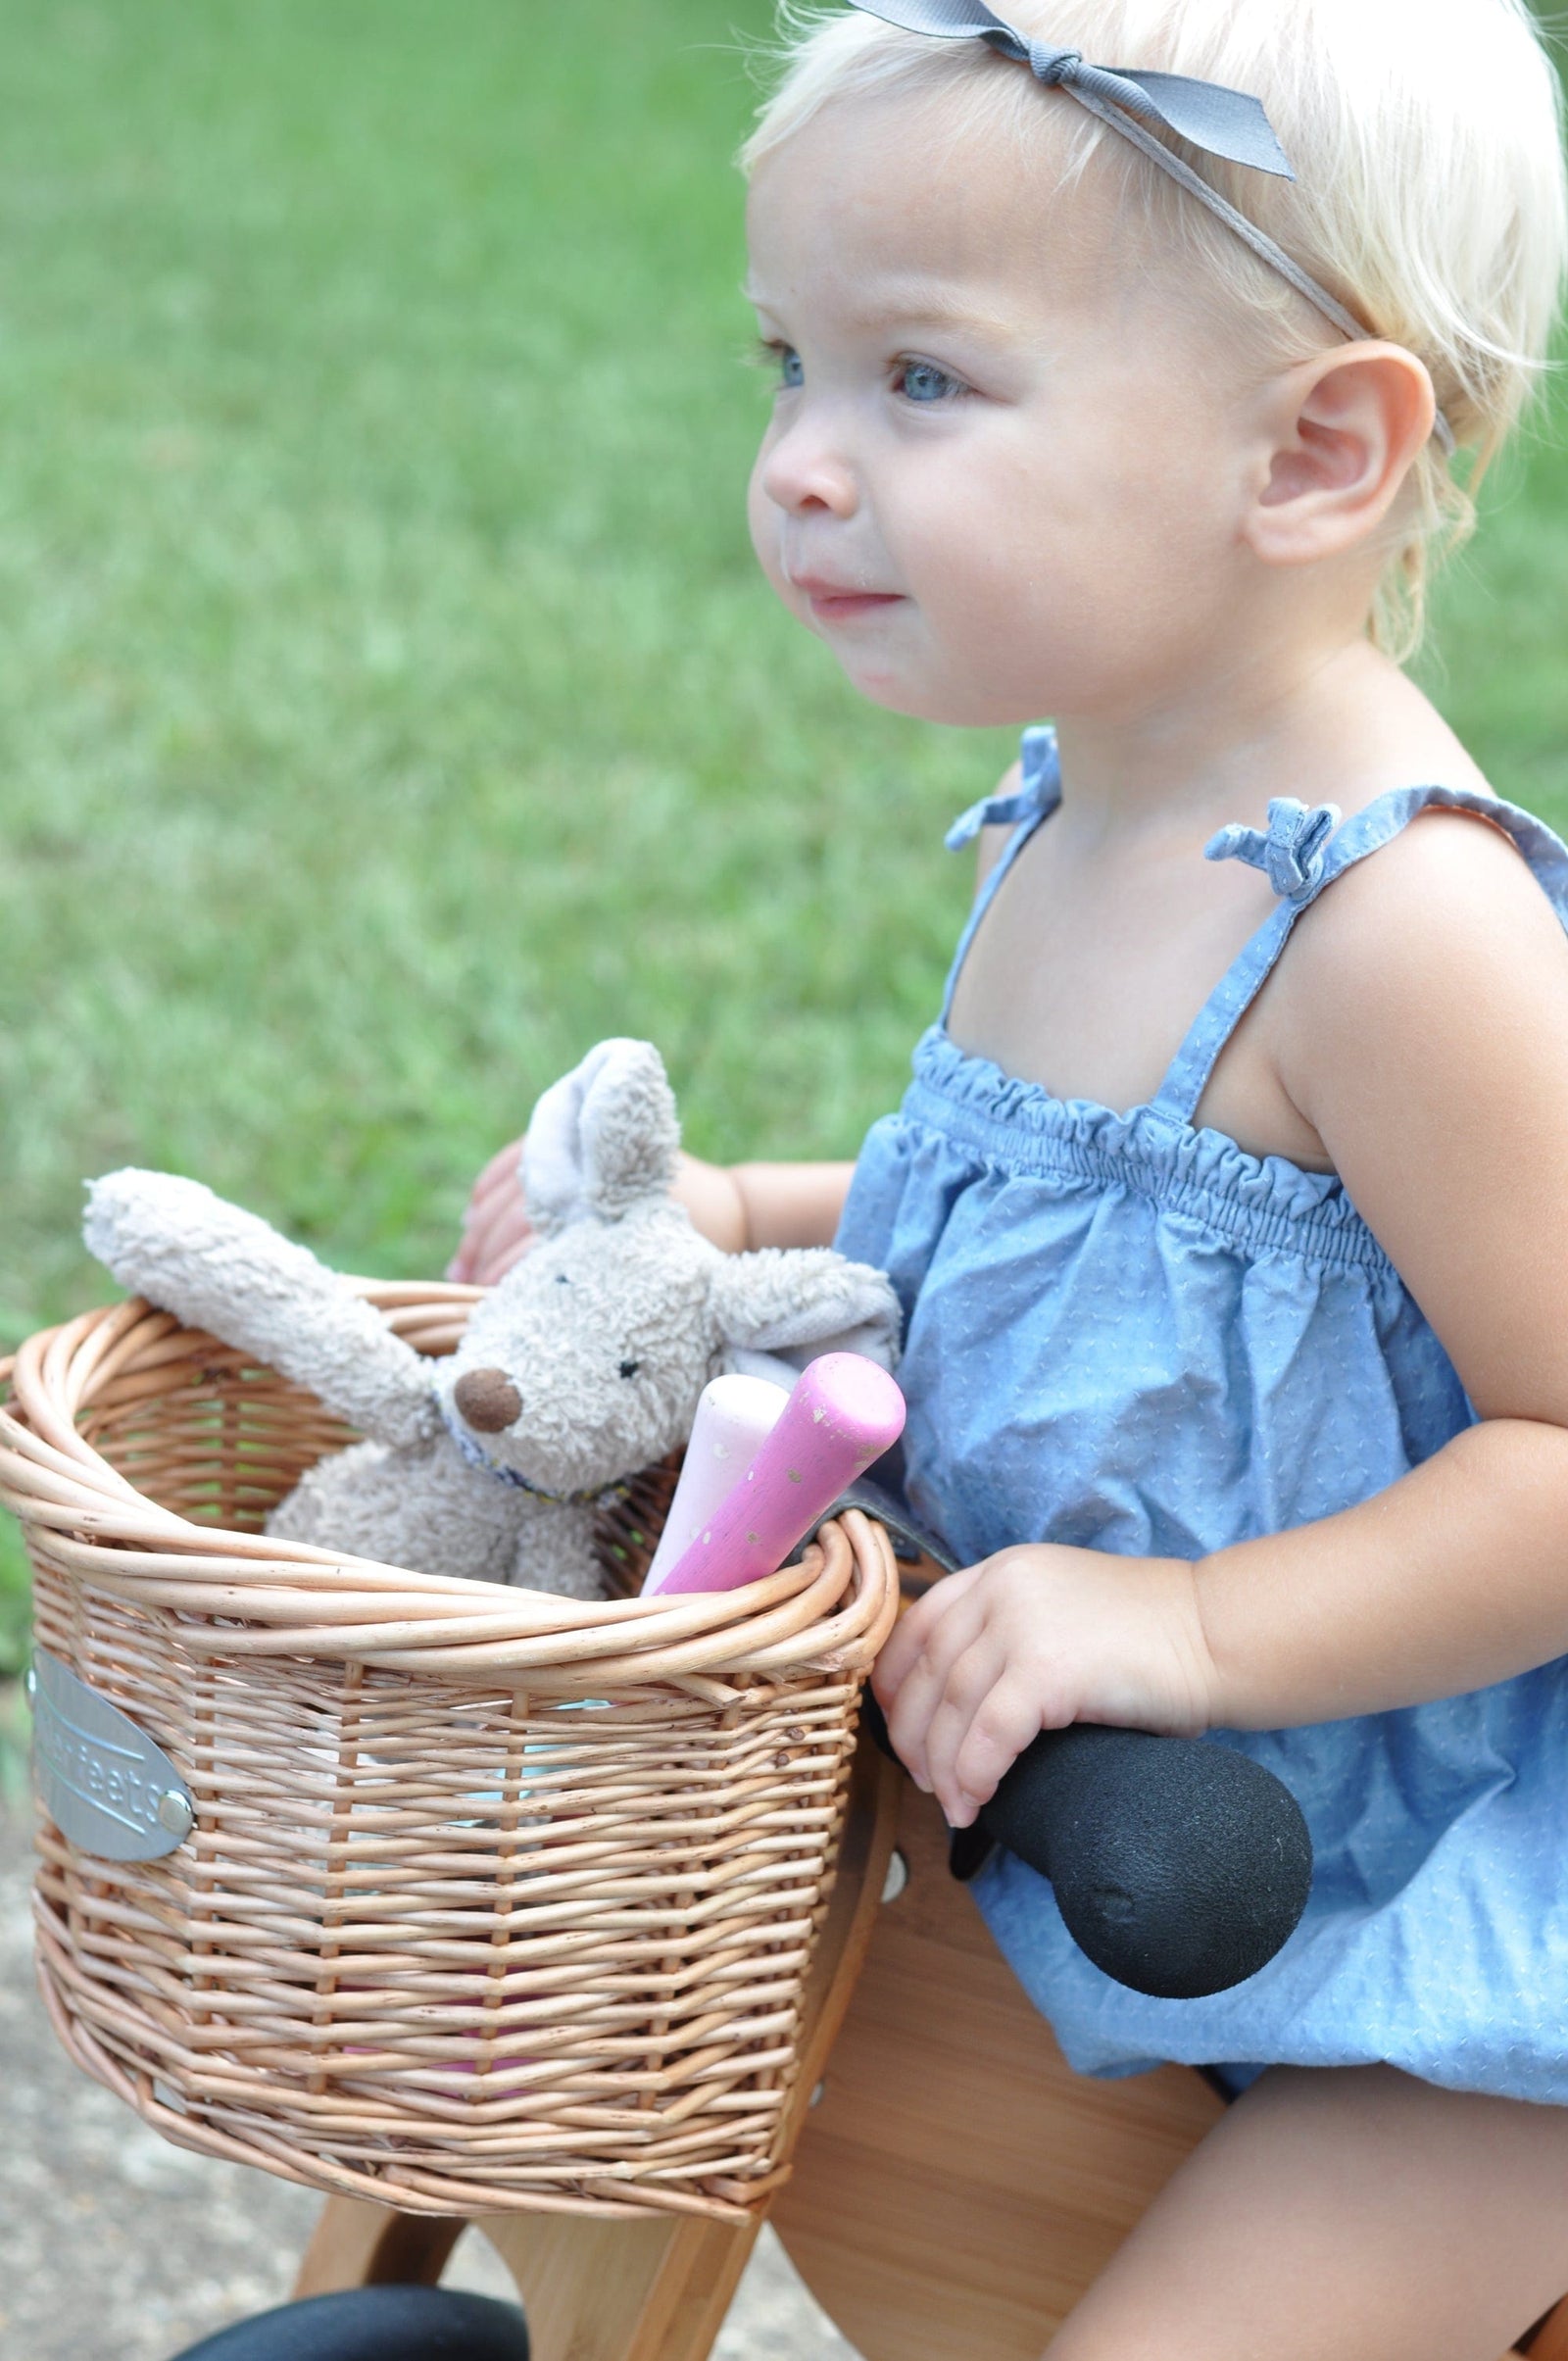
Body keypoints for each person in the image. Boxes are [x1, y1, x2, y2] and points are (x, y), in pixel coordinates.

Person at [452, 1, 1568, 2347]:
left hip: (1454, 1926)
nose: (800, 466)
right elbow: (1058, 1234)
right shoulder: (1083, 800)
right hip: (1118, 1830)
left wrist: (1177, 1631)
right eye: (788, 364)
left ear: (1309, 449)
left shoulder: (1401, 931)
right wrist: (737, 1219)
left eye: (919, 382)